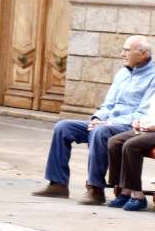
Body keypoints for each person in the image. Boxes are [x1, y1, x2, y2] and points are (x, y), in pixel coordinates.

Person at [33, 35, 155, 204]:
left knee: (100, 131)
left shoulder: (153, 77)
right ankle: (58, 184)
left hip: (128, 127)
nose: (122, 54)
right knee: (64, 127)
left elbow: (143, 113)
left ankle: (95, 189)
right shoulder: (122, 73)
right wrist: (97, 117)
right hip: (107, 122)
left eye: (127, 50)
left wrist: (107, 123)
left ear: (142, 53)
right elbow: (108, 104)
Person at [104, 95, 155, 212]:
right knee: (114, 142)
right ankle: (124, 189)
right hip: (148, 129)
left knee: (131, 145)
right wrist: (140, 122)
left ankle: (138, 195)